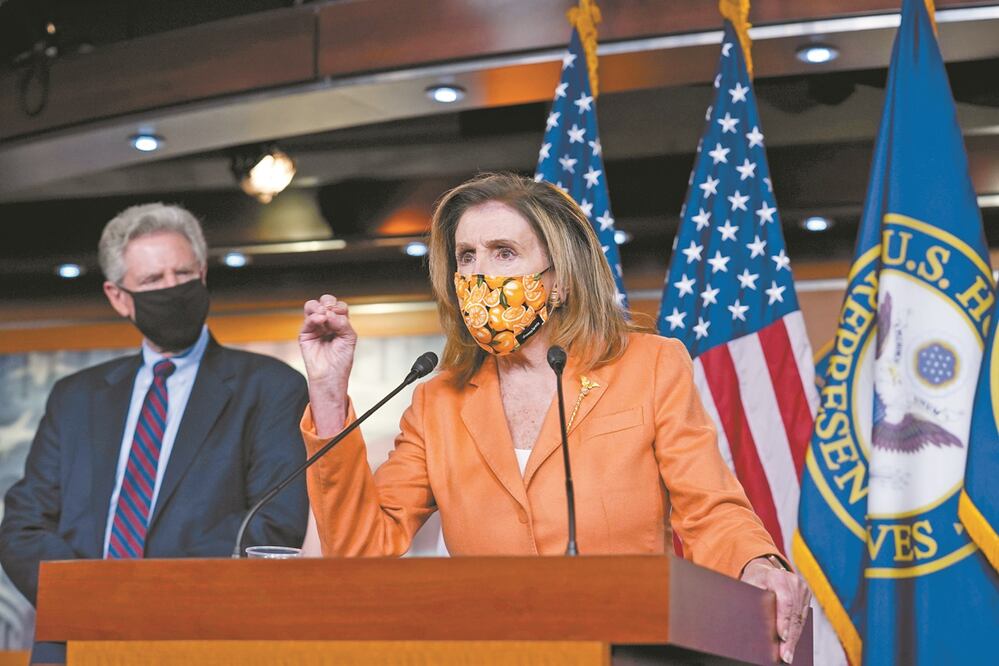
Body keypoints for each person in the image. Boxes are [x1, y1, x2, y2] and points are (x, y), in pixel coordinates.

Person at [299, 173, 811, 663]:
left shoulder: (649, 366)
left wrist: (756, 564)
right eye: (466, 257)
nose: (480, 273)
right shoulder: (438, 401)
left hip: (625, 645)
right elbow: (361, 546)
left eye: (504, 253)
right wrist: (327, 391)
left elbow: (708, 508)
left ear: (560, 279)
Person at [0, 203, 309, 661]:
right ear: (119, 296)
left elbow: (272, 525)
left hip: (202, 642)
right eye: (151, 281)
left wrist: (147, 597)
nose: (171, 289)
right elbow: (24, 526)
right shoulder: (75, 398)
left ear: (202, 276)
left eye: (182, 274)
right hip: (75, 643)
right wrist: (95, 603)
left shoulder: (270, 387)